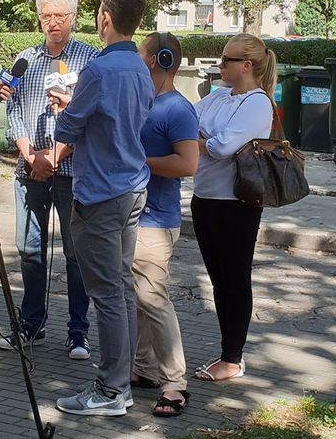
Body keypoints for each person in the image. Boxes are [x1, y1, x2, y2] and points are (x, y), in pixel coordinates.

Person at [51, 0, 155, 416]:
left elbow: (67, 129)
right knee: (121, 290)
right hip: (131, 187)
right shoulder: (140, 67)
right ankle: (119, 382)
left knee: (109, 293)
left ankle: (112, 390)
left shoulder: (99, 69)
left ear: (105, 19)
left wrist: (66, 109)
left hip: (102, 193)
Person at [0, 0, 99, 359]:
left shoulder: (90, 59)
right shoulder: (25, 59)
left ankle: (78, 332)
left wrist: (54, 156)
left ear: (73, 18)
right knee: (29, 250)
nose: (52, 23)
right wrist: (30, 155)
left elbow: (89, 115)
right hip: (30, 170)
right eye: (46, 16)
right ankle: (31, 324)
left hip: (71, 171)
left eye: (60, 16)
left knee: (75, 254)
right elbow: (13, 111)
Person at [191, 32, 276, 383]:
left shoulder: (257, 103)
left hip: (236, 203)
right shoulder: (219, 97)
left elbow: (222, 146)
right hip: (205, 197)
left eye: (226, 60)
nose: (220, 65)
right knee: (217, 280)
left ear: (247, 65)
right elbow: (187, 122)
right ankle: (226, 350)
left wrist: (198, 140)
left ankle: (233, 357)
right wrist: (201, 140)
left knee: (235, 278)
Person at [130, 32, 199, 417]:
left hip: (156, 221)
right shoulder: (146, 103)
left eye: (141, 54)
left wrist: (137, 161)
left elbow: (187, 164)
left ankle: (176, 384)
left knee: (154, 299)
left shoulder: (177, 109)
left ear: (156, 59)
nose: (137, 60)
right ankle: (143, 371)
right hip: (137, 217)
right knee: (141, 299)